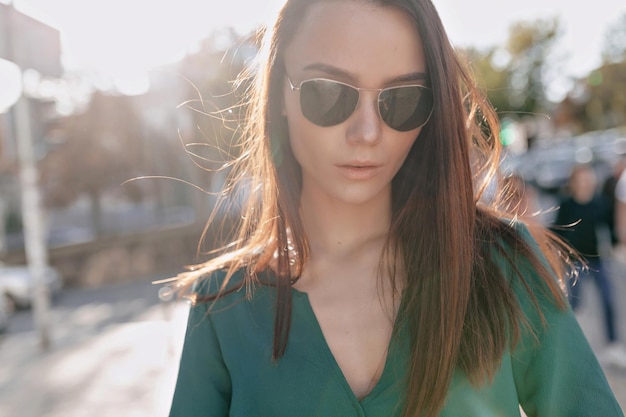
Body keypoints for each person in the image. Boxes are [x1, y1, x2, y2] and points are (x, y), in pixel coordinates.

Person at [167, 1, 624, 416]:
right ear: (278, 93)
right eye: (329, 92)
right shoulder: (222, 307)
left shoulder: (500, 265)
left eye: (402, 99)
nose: (367, 131)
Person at [553, 163, 626, 368]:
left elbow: (610, 229)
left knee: (608, 299)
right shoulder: (566, 205)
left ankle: (613, 346)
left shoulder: (600, 204)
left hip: (596, 260)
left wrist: (615, 245)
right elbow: (557, 233)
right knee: (573, 305)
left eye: (589, 179)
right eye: (582, 180)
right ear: (574, 183)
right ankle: (572, 348)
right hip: (574, 262)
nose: (586, 184)